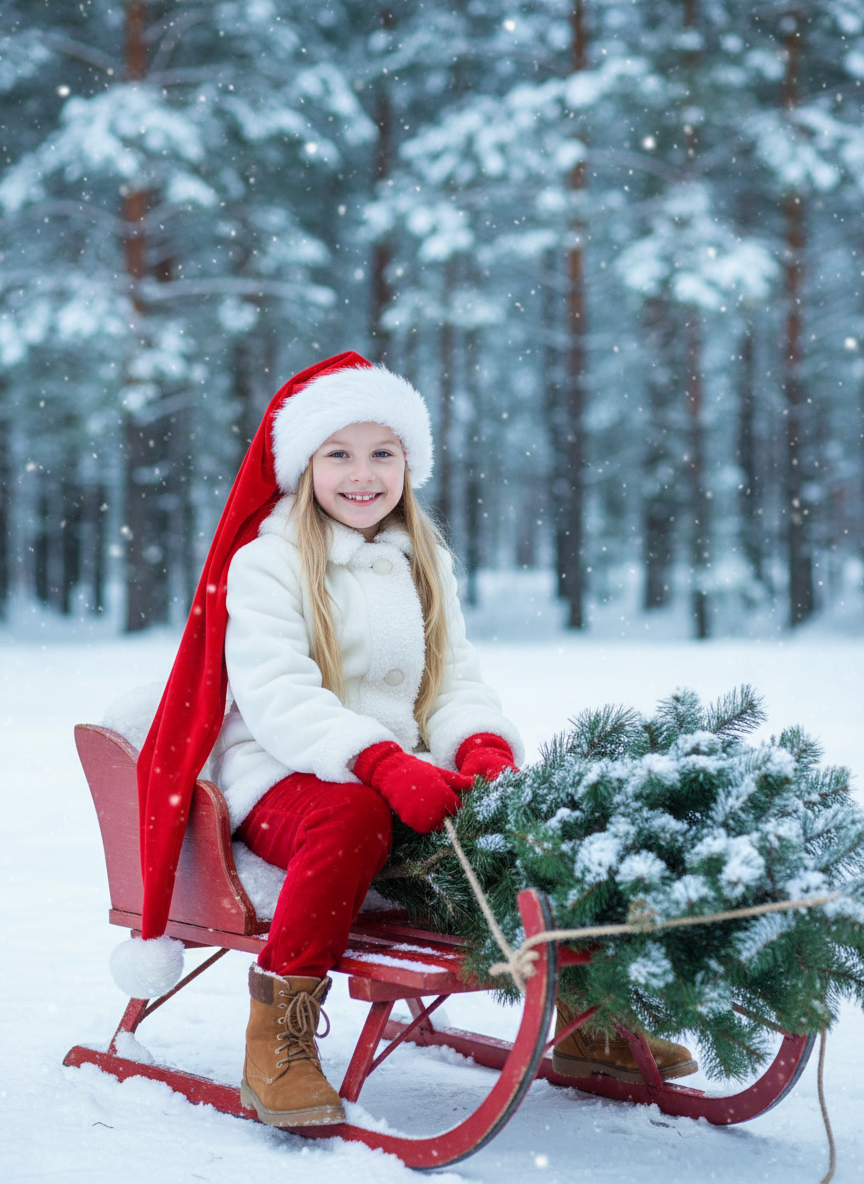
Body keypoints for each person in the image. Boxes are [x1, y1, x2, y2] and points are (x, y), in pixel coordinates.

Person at [109, 352, 695, 1128]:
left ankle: (589, 1015)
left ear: (409, 463)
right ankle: (279, 1035)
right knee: (350, 816)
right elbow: (280, 696)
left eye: (382, 453)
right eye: (339, 454)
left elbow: (452, 678)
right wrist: (377, 761)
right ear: (304, 466)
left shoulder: (423, 557)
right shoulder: (267, 562)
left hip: (401, 770)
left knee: (527, 820)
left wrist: (480, 744)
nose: (363, 475)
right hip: (282, 771)